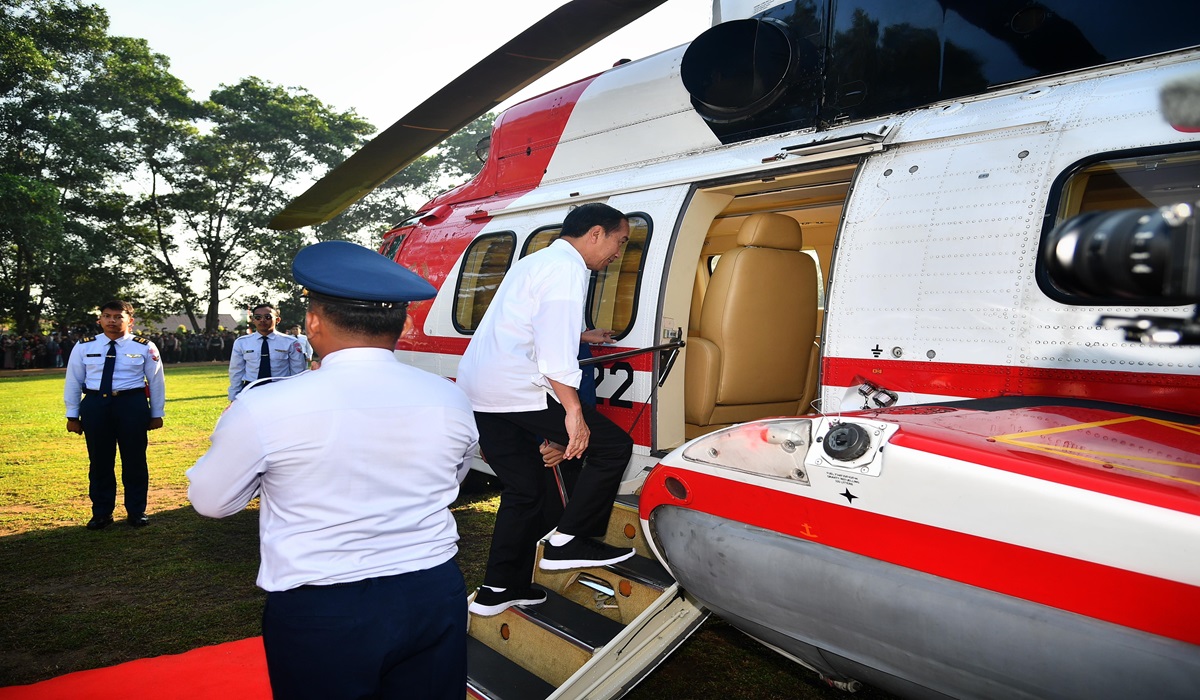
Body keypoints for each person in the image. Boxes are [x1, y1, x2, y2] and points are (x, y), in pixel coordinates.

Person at [187, 240, 477, 700]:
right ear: (404, 324)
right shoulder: (450, 397)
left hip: (324, 603)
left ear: (313, 323)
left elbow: (212, 501)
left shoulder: (266, 405)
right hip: (431, 589)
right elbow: (452, 480)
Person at [456, 202, 635, 616]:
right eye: (620, 241)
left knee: (525, 490)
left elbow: (529, 327)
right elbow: (555, 351)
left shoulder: (535, 261)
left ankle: (499, 588)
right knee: (612, 447)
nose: (617, 253)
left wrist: (582, 336)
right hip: (516, 388)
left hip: (481, 392)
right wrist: (573, 412)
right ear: (596, 233)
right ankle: (569, 540)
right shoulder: (567, 267)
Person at [64, 300, 166, 529]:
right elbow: (73, 381)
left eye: (118, 316)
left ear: (130, 320)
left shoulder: (144, 346)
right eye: (107, 316)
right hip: (95, 405)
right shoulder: (84, 346)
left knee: (135, 460)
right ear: (99, 319)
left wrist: (157, 413)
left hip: (131, 404)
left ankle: (136, 511)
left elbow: (156, 382)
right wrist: (72, 416)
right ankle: (101, 513)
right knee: (99, 461)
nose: (112, 320)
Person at [226, 304, 307, 401]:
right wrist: (234, 396)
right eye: (258, 317)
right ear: (253, 320)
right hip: (251, 390)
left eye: (268, 317)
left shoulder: (290, 342)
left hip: (280, 390)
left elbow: (298, 372)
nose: (262, 320)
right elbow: (236, 371)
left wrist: (296, 395)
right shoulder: (242, 342)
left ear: (277, 320)